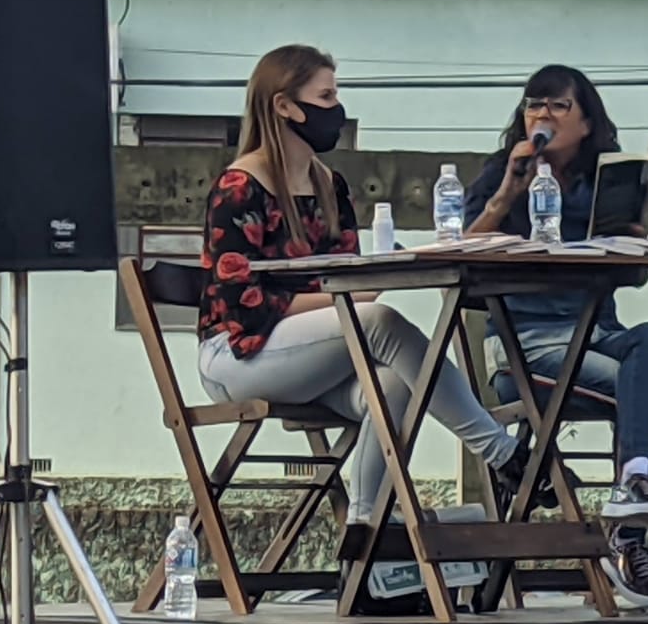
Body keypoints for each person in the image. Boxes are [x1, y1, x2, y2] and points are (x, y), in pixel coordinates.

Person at [197, 44, 522, 538]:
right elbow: (247, 307)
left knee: (394, 384)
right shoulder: (239, 187)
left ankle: (367, 527)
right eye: (325, 96)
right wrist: (348, 299)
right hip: (237, 356)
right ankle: (499, 451)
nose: (336, 108)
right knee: (379, 322)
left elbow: (347, 276)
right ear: (284, 106)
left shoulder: (330, 185)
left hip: (307, 356)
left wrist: (362, 286)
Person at [463, 64, 648, 609]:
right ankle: (629, 541)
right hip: (525, 348)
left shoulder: (602, 179)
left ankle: (634, 484)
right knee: (638, 392)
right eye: (535, 105)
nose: (544, 115)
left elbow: (633, 278)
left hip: (597, 334)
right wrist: (505, 196)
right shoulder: (501, 173)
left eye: (559, 106)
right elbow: (461, 255)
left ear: (586, 123)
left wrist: (631, 241)